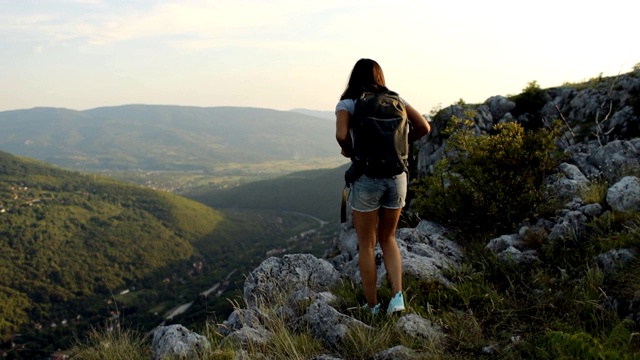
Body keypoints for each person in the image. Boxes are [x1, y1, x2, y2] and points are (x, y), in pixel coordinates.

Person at [335, 58, 431, 315]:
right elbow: (424, 126)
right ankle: (397, 300)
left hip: (367, 178)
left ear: (354, 78)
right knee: (389, 238)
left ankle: (373, 306)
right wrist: (402, 145)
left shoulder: (349, 103)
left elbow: (342, 134)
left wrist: (350, 151)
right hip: (397, 176)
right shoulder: (396, 99)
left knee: (367, 244)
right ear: (380, 76)